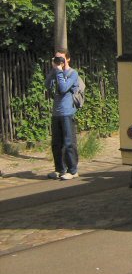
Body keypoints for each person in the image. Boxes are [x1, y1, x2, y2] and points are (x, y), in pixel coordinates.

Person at [45, 49, 81, 180]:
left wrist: (59, 71)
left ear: (68, 59)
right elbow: (47, 85)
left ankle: (72, 170)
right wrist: (53, 71)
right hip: (57, 112)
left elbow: (64, 88)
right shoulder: (56, 72)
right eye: (56, 58)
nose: (59, 61)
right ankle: (59, 169)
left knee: (68, 142)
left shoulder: (73, 73)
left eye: (61, 58)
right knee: (56, 143)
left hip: (67, 112)